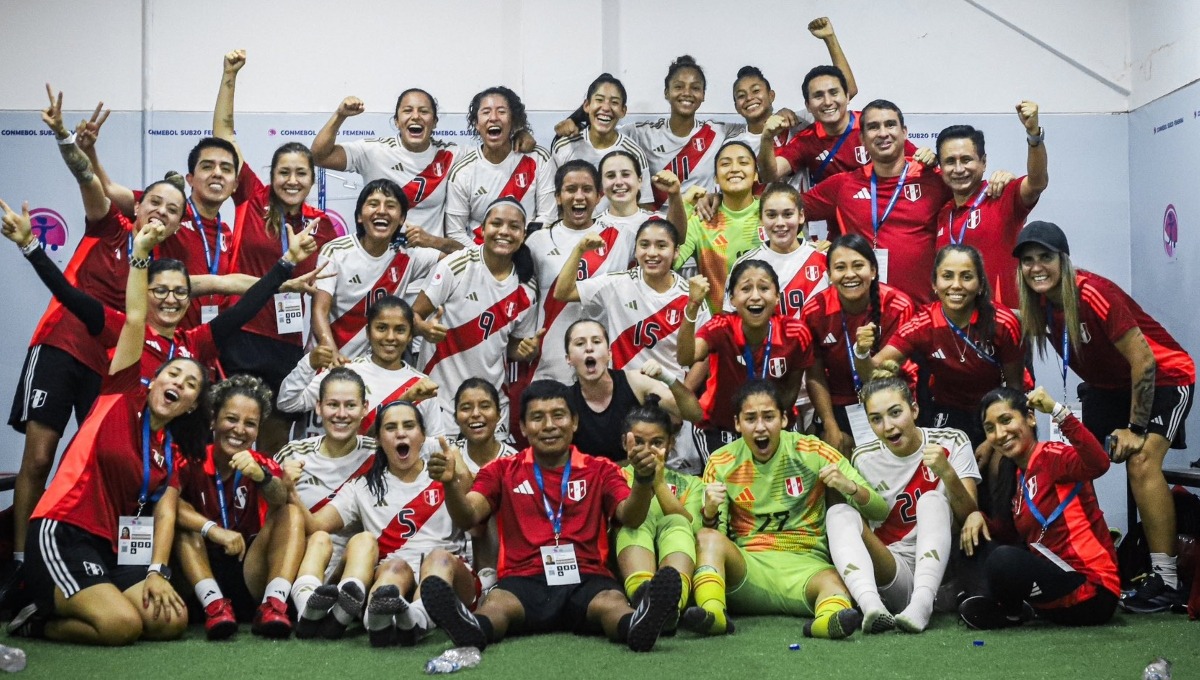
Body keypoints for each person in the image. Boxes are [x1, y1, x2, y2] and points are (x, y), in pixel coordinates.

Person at [10, 221, 201, 645]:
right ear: (154, 379)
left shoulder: (170, 450)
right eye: (174, 374)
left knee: (170, 621)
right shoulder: (121, 391)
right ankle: (36, 616)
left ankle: (94, 598)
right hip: (66, 529)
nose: (180, 384)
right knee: (122, 627)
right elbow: (136, 317)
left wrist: (156, 571)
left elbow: (166, 511)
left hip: (115, 547)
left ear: (192, 405)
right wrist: (140, 255)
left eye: (191, 385)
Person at [1013, 221, 1195, 613]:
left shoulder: (1092, 293)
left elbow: (1144, 361)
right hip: (1109, 388)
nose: (1036, 267)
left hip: (1163, 378)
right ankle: (1087, 556)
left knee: (1142, 462)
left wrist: (1134, 429)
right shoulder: (1039, 305)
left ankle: (1166, 579)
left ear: (1063, 259)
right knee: (1066, 460)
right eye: (1028, 261)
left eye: (1045, 257)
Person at [422, 380, 682, 652]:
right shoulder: (501, 470)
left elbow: (631, 516)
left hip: (586, 577)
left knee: (611, 603)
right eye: (537, 417)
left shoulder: (600, 469)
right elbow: (469, 516)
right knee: (497, 606)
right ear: (522, 427)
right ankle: (471, 629)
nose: (548, 426)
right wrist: (451, 485)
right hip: (523, 580)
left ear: (574, 422)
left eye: (558, 415)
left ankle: (638, 623)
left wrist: (642, 480)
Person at [2, 199, 319, 386]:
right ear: (145, 293)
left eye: (180, 292)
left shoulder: (194, 342)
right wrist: (31, 247)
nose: (171, 299)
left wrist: (288, 262)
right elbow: (68, 295)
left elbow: (244, 309)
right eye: (161, 291)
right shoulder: (125, 331)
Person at [682, 380, 886, 639]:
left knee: (834, 584)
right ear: (737, 423)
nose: (760, 427)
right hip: (748, 571)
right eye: (750, 418)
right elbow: (712, 536)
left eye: (768, 417)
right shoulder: (722, 461)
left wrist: (849, 487)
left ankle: (823, 625)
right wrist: (710, 512)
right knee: (706, 538)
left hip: (806, 567)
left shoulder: (813, 450)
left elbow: (879, 510)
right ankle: (713, 614)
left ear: (784, 419)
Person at [210, 49, 340, 453]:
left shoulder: (326, 226)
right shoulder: (252, 198)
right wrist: (229, 75)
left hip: (287, 344)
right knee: (228, 440)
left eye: (300, 173)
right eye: (283, 172)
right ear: (271, 176)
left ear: (312, 179)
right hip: (241, 333)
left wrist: (326, 344)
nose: (291, 179)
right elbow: (225, 134)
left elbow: (325, 294)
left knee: (270, 448)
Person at [289, 401, 474, 646]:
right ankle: (377, 621)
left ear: (423, 436)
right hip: (393, 575)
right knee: (391, 566)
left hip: (448, 576)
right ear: (378, 439)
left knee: (438, 559)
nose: (400, 433)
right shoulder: (362, 487)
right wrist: (289, 489)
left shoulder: (446, 473)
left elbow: (475, 514)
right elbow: (315, 526)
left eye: (409, 426)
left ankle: (414, 620)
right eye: (390, 427)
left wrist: (455, 471)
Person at [799, 100, 1009, 304]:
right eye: (873, 127)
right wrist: (806, 250)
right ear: (862, 138)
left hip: (924, 313)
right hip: (867, 313)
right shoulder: (843, 185)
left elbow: (970, 189)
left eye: (890, 124)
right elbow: (786, 210)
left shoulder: (933, 179)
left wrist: (1003, 179)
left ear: (904, 132)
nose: (883, 133)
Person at [827, 370, 980, 633]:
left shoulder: (952, 440)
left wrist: (947, 473)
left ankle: (922, 605)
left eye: (895, 413)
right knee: (838, 512)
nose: (888, 426)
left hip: (941, 575)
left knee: (932, 499)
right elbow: (859, 530)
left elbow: (968, 514)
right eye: (876, 419)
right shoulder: (863, 457)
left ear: (915, 409)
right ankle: (872, 606)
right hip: (892, 571)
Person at [959, 386, 1118, 629]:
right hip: (1055, 590)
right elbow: (1008, 534)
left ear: (1030, 418)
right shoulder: (1017, 475)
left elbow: (1099, 463)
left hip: (1091, 591)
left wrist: (1057, 411)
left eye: (1006, 420)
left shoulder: (1053, 456)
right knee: (976, 542)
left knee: (1003, 560)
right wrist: (977, 516)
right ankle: (1009, 607)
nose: (1000, 434)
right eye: (990, 428)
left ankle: (1009, 612)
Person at [173, 376, 305, 640]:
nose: (239, 430)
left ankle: (273, 603)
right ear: (213, 420)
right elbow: (166, 505)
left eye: (250, 424)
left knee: (291, 511)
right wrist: (213, 530)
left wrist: (262, 476)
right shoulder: (189, 457)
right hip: (196, 576)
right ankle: (213, 604)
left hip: (246, 572)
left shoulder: (260, 462)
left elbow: (279, 498)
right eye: (231, 419)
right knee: (184, 524)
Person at [413, 197, 540, 437]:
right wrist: (424, 329)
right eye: (497, 224)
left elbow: (512, 346)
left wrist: (525, 350)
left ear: (523, 235)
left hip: (492, 404)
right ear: (482, 228)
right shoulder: (456, 265)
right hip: (440, 397)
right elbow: (413, 316)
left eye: (514, 227)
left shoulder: (527, 287)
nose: (504, 232)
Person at [275, 368, 377, 632]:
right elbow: (270, 516)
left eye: (350, 405)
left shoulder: (379, 456)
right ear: (318, 408)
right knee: (319, 538)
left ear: (365, 408)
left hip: (349, 570)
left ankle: (340, 612)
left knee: (365, 540)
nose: (341, 414)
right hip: (295, 566)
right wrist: (283, 486)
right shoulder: (293, 453)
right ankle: (306, 608)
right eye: (333, 405)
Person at [679, 260, 814, 460]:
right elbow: (685, 357)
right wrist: (692, 306)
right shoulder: (720, 327)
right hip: (720, 427)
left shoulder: (795, 334)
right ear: (732, 299)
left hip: (774, 424)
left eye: (764, 288)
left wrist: (765, 423)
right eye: (746, 288)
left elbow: (790, 392)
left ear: (777, 297)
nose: (755, 296)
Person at [522, 160, 636, 386]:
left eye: (587, 190)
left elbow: (673, 238)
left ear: (599, 196)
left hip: (603, 362)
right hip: (551, 361)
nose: (579, 197)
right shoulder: (537, 241)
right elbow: (523, 298)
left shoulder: (622, 237)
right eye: (571, 189)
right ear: (557, 196)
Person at [802, 235, 916, 455]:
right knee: (835, 454)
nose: (850, 274)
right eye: (840, 267)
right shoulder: (814, 312)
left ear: (873, 270)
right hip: (839, 403)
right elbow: (815, 375)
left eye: (858, 265)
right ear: (829, 275)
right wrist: (830, 424)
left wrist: (861, 353)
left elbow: (881, 378)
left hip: (890, 397)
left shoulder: (897, 306)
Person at [555, 217, 706, 381]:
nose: (652, 253)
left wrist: (683, 396)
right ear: (635, 250)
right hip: (624, 390)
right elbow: (563, 292)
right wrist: (579, 249)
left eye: (661, 246)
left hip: (669, 392)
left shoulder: (690, 296)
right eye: (644, 245)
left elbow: (704, 356)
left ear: (676, 252)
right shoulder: (617, 283)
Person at [312, 89, 462, 254]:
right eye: (407, 110)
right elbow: (320, 156)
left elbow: (490, 158)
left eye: (424, 111)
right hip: (381, 264)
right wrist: (340, 115)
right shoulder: (374, 151)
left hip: (431, 263)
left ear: (434, 122)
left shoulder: (450, 155)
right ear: (397, 121)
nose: (416, 116)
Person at [280, 295, 448, 442]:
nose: (390, 337)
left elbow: (436, 443)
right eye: (381, 328)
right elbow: (287, 402)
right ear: (368, 332)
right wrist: (308, 363)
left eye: (400, 330)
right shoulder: (346, 373)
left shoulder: (421, 386)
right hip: (342, 473)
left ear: (410, 335)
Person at [310, 179, 442, 361]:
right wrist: (333, 356)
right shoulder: (336, 251)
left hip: (377, 368)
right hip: (330, 364)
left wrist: (431, 240)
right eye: (373, 204)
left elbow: (464, 256)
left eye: (390, 206)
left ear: (402, 218)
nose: (381, 211)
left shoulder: (407, 255)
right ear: (359, 216)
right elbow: (319, 310)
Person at [935, 101, 1048, 307]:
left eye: (966, 159)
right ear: (941, 167)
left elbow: (1037, 182)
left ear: (983, 162)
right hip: (957, 324)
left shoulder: (1001, 195)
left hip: (1003, 326)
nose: (958, 169)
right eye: (950, 161)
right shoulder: (943, 213)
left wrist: (1034, 136)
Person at [614, 394, 703, 632]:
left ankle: (671, 606)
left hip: (676, 552)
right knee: (637, 522)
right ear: (625, 442)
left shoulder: (692, 484)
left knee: (676, 522)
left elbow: (692, 527)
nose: (647, 450)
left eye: (657, 442)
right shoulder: (613, 476)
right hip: (623, 560)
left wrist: (659, 483)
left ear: (671, 444)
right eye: (639, 442)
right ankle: (644, 599)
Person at [563, 319, 702, 462]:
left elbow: (695, 414)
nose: (589, 348)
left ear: (609, 353)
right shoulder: (564, 401)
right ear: (568, 359)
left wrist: (668, 378)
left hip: (638, 479)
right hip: (590, 480)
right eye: (580, 343)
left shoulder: (636, 382)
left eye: (597, 342)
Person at [445, 86, 555, 246]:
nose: (493, 118)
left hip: (528, 254)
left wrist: (520, 250)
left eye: (501, 112)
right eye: (486, 112)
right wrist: (487, 258)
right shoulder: (463, 171)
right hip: (480, 259)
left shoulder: (538, 159)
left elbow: (548, 218)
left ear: (513, 121)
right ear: (476, 123)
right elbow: (456, 233)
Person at [628, 56, 741, 208]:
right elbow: (604, 132)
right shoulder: (643, 133)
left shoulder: (718, 132)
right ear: (667, 93)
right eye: (679, 87)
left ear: (703, 95)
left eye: (695, 88)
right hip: (658, 225)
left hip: (700, 222)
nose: (687, 93)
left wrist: (782, 114)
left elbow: (758, 127)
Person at [673, 141, 764, 313]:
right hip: (719, 329)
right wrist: (684, 203)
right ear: (715, 177)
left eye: (743, 163)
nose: (734, 169)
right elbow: (670, 261)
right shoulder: (701, 219)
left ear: (756, 175)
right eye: (725, 164)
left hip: (769, 326)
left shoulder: (771, 215)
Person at [551, 74, 655, 215]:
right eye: (599, 100)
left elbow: (645, 206)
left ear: (623, 111)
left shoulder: (633, 153)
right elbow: (552, 203)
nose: (606, 108)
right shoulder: (564, 146)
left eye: (614, 102)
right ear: (587, 106)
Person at [726, 182, 829, 317]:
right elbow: (732, 321)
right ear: (761, 219)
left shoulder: (824, 258)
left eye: (787, 214)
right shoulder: (745, 264)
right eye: (771, 215)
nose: (780, 223)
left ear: (801, 216)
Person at [592, 150, 687, 244]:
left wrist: (674, 194)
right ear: (601, 185)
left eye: (626, 174)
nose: (619, 182)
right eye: (611, 176)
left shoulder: (658, 222)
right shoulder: (591, 227)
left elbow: (678, 239)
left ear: (640, 181)